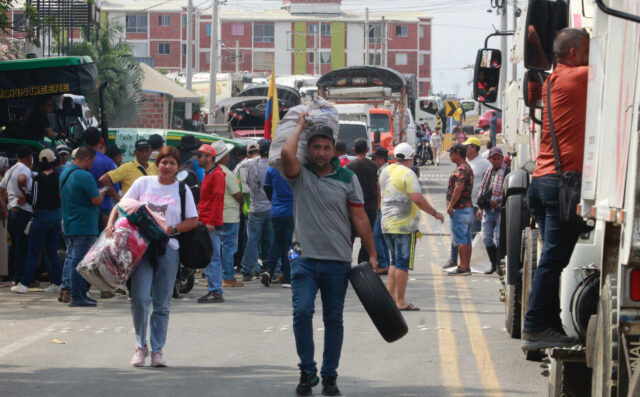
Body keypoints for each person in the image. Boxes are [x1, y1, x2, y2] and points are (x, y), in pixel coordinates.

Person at [281, 114, 377, 396]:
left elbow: (359, 218)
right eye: (316, 147)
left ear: (333, 150)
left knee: (333, 319)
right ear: (309, 150)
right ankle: (307, 369)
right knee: (301, 312)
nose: (321, 152)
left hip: (337, 261)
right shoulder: (300, 175)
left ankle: (330, 375)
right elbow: (287, 152)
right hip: (304, 259)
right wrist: (300, 126)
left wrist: (371, 254)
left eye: (326, 147)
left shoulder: (348, 178)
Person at [522, 28, 590, 350]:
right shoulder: (579, 77)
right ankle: (535, 326)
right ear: (575, 54)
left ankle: (548, 325)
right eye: (589, 49)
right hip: (562, 184)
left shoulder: (554, 79)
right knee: (552, 261)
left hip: (542, 180)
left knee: (550, 261)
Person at [106, 146, 198, 367]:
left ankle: (157, 350)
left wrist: (171, 230)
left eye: (172, 163)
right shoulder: (142, 184)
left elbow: (193, 220)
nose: (167, 166)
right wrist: (110, 224)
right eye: (164, 162)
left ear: (178, 167)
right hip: (140, 249)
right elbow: (121, 206)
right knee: (139, 298)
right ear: (157, 164)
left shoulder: (183, 190)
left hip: (169, 250)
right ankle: (140, 346)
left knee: (162, 302)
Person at [380, 143, 444, 310]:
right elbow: (417, 198)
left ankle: (390, 297)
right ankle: (400, 301)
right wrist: (435, 213)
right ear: (410, 158)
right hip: (403, 225)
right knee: (402, 263)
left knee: (394, 261)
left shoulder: (385, 171)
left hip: (387, 222)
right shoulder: (408, 173)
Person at [10, 149, 62, 294]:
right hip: (57, 215)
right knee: (52, 251)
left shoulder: (39, 179)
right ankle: (58, 282)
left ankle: (24, 283)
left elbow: (34, 201)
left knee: (33, 252)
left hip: (43, 217)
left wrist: (26, 195)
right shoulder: (57, 176)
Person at [60, 146, 106, 306]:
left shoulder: (65, 173)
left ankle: (79, 294)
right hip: (84, 224)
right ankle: (77, 296)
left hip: (70, 222)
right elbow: (96, 200)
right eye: (91, 161)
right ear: (87, 159)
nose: (92, 164)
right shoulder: (85, 176)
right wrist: (102, 194)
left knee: (73, 258)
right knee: (79, 262)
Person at [196, 144, 226, 303]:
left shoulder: (216, 175)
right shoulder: (209, 173)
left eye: (200, 156)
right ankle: (214, 289)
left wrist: (211, 222)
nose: (197, 158)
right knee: (210, 256)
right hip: (206, 221)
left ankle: (215, 291)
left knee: (213, 257)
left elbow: (218, 200)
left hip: (210, 223)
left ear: (209, 157)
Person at [240, 139, 273, 281]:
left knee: (252, 240)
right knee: (270, 240)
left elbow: (244, 188)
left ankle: (247, 269)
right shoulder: (275, 165)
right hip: (271, 207)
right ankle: (271, 268)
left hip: (255, 207)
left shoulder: (247, 164)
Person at [0, 146, 33, 285]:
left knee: (15, 246)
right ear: (29, 158)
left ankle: (14, 276)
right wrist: (25, 193)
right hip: (23, 212)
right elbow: (22, 179)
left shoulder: (10, 170)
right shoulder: (24, 169)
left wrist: (6, 210)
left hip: (12, 212)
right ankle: (19, 278)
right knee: (23, 246)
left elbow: (0, 190)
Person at [215, 140, 245, 288]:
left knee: (219, 246)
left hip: (219, 213)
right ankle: (228, 276)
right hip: (230, 214)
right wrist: (242, 202)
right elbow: (238, 194)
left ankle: (215, 276)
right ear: (224, 157)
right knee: (228, 247)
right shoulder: (225, 172)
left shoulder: (213, 171)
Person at [477, 147, 510, 275]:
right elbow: (482, 191)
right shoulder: (488, 172)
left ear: (502, 158)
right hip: (487, 210)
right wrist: (480, 207)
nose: (496, 161)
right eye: (493, 159)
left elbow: (509, 193)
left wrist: (500, 202)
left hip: (500, 210)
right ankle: (494, 264)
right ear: (490, 159)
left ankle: (499, 265)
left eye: (498, 158)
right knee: (486, 238)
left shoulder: (507, 172)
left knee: (499, 238)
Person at [346, 138, 380, 264]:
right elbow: (377, 186)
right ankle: (363, 265)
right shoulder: (373, 166)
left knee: (348, 238)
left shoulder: (348, 166)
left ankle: (345, 262)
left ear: (354, 150)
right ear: (367, 150)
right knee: (367, 238)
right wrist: (377, 204)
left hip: (352, 208)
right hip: (370, 207)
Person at [260, 165, 294, 287]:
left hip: (276, 211)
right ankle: (288, 276)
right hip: (292, 210)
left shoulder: (271, 169)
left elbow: (267, 188)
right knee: (290, 244)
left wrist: (275, 201)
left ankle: (268, 270)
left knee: (277, 242)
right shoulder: (294, 166)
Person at [445, 143, 474, 276]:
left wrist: (450, 205)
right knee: (467, 239)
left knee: (461, 239)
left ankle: (462, 267)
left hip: (460, 209)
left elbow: (458, 188)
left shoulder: (461, 169)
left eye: (451, 153)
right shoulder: (467, 167)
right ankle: (466, 266)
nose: (450, 155)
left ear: (458, 153)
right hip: (467, 209)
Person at [85, 128, 119, 228]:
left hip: (85, 208)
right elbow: (115, 188)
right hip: (104, 207)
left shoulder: (79, 160)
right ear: (100, 141)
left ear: (85, 142)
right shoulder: (108, 162)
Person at [464, 136, 491, 236]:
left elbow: (489, 184)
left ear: (474, 148)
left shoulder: (484, 163)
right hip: (464, 205)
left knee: (473, 234)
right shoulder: (465, 162)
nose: (464, 149)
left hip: (476, 206)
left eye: (467, 147)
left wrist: (482, 205)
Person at [370, 146, 391, 274]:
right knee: (381, 236)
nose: (373, 161)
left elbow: (381, 190)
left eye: (375, 158)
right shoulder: (383, 170)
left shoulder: (385, 171)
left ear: (381, 159)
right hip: (383, 206)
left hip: (384, 206)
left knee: (376, 235)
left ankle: (384, 264)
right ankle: (386, 264)